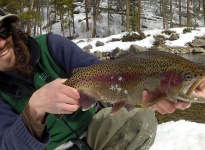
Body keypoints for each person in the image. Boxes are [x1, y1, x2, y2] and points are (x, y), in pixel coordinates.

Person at [0, 9, 191, 150]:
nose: (1, 43)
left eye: (3, 31)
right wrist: (34, 109)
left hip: (94, 132)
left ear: (12, 31)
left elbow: (105, 71)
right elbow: (7, 145)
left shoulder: (50, 45)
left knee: (141, 119)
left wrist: (146, 88)